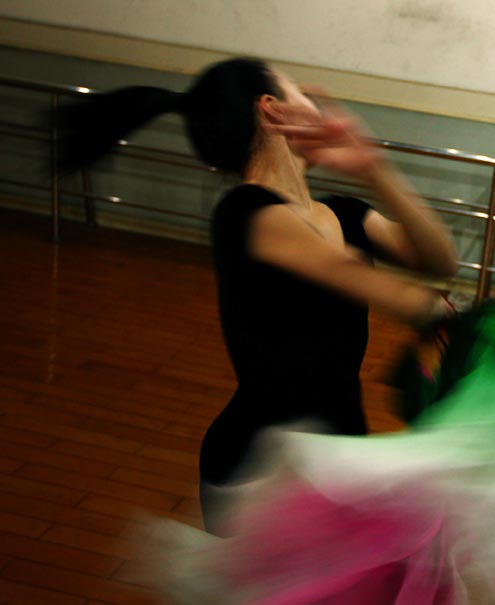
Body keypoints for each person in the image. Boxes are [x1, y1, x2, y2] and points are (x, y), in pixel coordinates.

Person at [55, 58, 458, 535]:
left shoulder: (345, 213)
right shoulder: (244, 213)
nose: (318, 104)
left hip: (332, 458)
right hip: (258, 473)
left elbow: (439, 262)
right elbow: (340, 271)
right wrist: (431, 309)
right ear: (271, 109)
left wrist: (375, 168)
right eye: (299, 91)